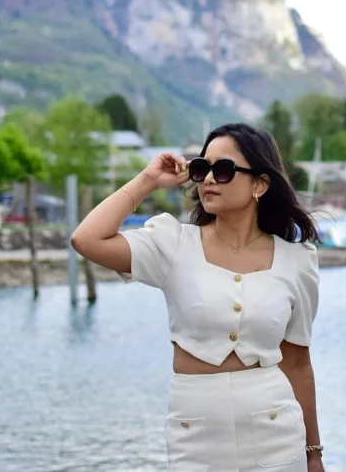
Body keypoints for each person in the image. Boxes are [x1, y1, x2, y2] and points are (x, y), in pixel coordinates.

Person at [71, 123, 325, 472]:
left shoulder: (296, 261)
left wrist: (313, 453)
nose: (207, 179)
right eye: (201, 168)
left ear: (260, 185)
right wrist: (147, 180)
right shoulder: (172, 243)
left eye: (223, 170)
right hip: (195, 435)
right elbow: (87, 240)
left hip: (276, 430)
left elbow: (297, 363)